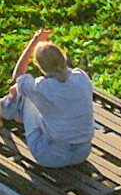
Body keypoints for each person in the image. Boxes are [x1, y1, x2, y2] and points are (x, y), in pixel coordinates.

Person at [6, 32, 96, 168]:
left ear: (40, 66)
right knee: (36, 97)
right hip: (82, 153)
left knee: (27, 99)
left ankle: (3, 114)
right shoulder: (81, 77)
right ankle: (8, 114)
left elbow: (18, 76)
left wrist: (34, 42)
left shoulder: (41, 87)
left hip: (51, 156)